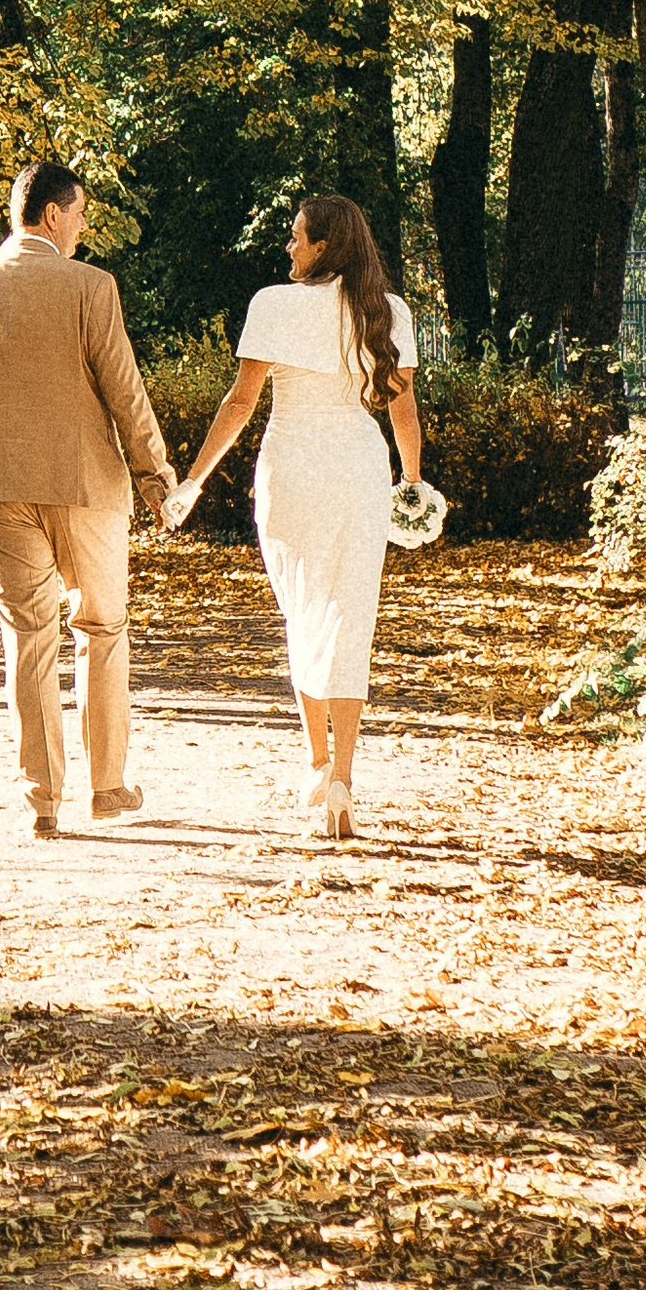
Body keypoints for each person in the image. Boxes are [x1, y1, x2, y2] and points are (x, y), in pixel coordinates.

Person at [168, 192, 439, 839]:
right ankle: (342, 777)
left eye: (296, 237)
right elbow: (402, 412)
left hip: (289, 469)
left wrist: (193, 481)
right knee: (350, 615)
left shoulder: (273, 304)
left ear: (323, 246)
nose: (288, 246)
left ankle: (318, 763)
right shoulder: (389, 311)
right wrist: (411, 482)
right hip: (358, 469)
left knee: (304, 613)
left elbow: (240, 404)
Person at [0, 156, 175, 838]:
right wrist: (155, 477)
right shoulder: (91, 286)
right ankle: (108, 786)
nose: (83, 227)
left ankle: (42, 799)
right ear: (51, 214)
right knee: (102, 626)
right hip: (84, 481)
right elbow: (124, 389)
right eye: (80, 214)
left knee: (28, 636)